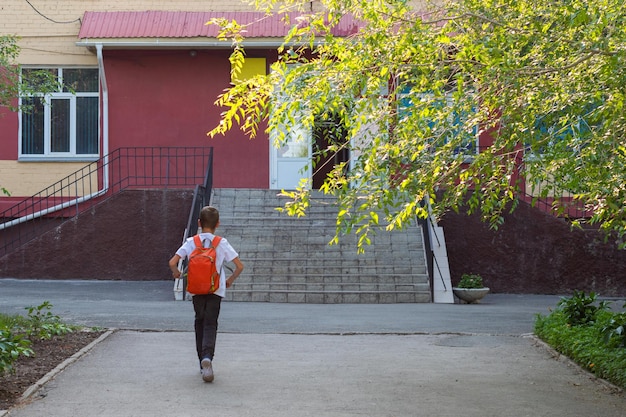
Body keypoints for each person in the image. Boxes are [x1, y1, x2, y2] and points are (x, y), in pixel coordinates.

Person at [168, 206, 244, 383]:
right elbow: (240, 266)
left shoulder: (191, 242)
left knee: (199, 322)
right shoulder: (221, 242)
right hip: (215, 290)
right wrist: (230, 280)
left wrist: (176, 273)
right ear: (218, 224)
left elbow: (172, 262)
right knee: (211, 323)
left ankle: (201, 362)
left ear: (199, 223)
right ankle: (208, 357)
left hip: (196, 290)